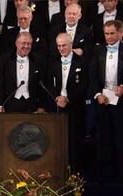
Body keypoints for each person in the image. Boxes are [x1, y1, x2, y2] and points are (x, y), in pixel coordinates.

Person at [47, 32, 88, 173]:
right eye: (59, 46)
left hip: (75, 108)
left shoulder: (81, 62)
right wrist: (57, 98)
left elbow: (84, 86)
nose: (61, 48)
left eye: (64, 45)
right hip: (58, 108)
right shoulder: (53, 63)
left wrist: (68, 99)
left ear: (71, 45)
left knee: (74, 143)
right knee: (59, 142)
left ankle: (75, 176)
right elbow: (49, 85)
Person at [90, 20, 123, 182]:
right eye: (106, 34)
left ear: (120, 33)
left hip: (121, 102)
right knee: (104, 138)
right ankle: (105, 177)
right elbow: (93, 74)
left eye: (112, 33)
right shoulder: (98, 50)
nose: (109, 37)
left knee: (120, 138)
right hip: (102, 101)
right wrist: (97, 94)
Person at [0, 32, 46, 113]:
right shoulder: (5, 59)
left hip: (31, 105)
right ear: (16, 43)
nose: (26, 46)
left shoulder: (38, 60)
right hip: (10, 104)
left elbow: (42, 85)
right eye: (23, 43)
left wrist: (41, 106)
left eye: (29, 44)